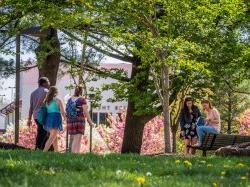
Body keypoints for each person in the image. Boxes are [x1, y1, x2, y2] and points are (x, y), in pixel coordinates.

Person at [66, 86, 95, 153]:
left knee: (77, 138)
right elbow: (85, 111)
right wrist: (90, 121)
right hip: (79, 120)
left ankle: (77, 154)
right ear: (82, 91)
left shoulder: (70, 99)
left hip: (70, 120)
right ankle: (73, 154)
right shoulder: (82, 99)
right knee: (77, 138)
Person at [27, 77, 50, 150]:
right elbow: (48, 103)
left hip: (35, 115)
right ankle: (39, 148)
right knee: (43, 132)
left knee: (41, 131)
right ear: (43, 83)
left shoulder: (33, 93)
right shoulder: (46, 90)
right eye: (47, 82)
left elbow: (31, 107)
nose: (49, 83)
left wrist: (29, 119)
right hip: (43, 114)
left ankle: (43, 148)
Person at [43, 86, 66, 152]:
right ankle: (44, 151)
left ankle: (56, 151)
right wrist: (65, 119)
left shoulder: (47, 101)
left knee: (54, 136)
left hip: (49, 118)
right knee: (52, 136)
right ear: (56, 93)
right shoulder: (58, 100)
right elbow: (62, 111)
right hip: (55, 118)